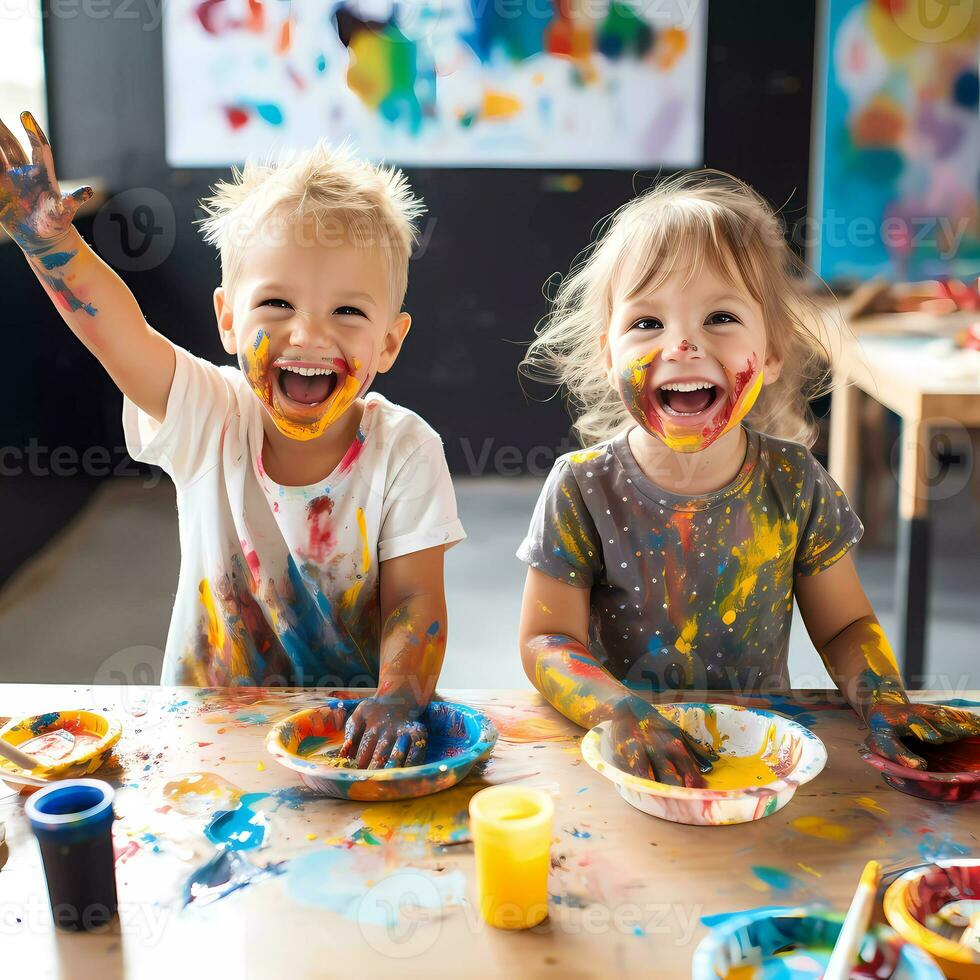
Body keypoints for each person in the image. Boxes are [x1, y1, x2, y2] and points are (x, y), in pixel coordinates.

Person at [0, 112, 464, 768]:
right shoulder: (210, 415)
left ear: (389, 341)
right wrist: (52, 247)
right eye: (276, 304)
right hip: (206, 736)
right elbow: (124, 336)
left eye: (348, 312)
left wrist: (398, 697)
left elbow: (416, 601)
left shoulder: (407, 451)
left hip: (350, 743)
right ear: (227, 318)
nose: (307, 334)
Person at [517, 171, 980, 786]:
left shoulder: (795, 484)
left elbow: (845, 625)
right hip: (627, 761)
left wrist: (884, 702)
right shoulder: (581, 488)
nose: (682, 344)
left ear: (773, 350)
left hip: (759, 759)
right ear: (608, 353)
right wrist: (621, 712)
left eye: (721, 317)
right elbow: (547, 639)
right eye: (648, 324)